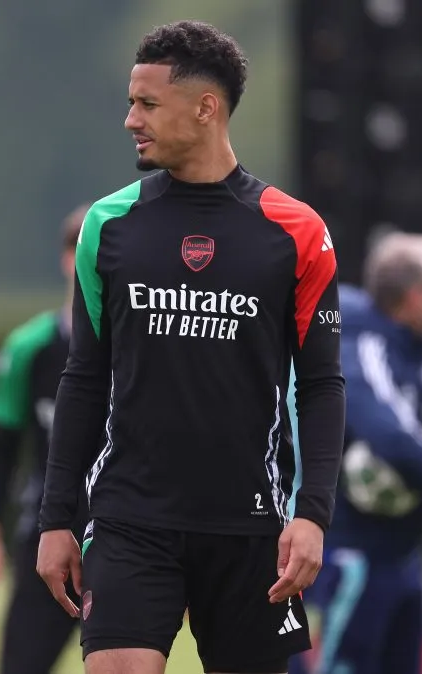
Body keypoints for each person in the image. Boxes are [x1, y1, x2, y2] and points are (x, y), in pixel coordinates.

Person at [36, 20, 346, 674]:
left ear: (206, 108)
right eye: (130, 101)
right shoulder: (108, 225)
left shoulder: (296, 232)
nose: (129, 120)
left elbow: (321, 386)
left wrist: (312, 514)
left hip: (252, 528)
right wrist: (56, 516)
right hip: (129, 520)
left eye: (147, 103)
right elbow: (85, 377)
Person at [291, 234, 422, 674]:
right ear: (415, 297)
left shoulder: (414, 360)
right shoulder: (363, 350)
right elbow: (390, 437)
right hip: (356, 557)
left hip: (404, 557)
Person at [0, 205, 90, 674]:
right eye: (84, 250)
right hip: (48, 534)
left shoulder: (142, 347)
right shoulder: (29, 348)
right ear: (65, 258)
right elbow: (1, 448)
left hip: (124, 534)